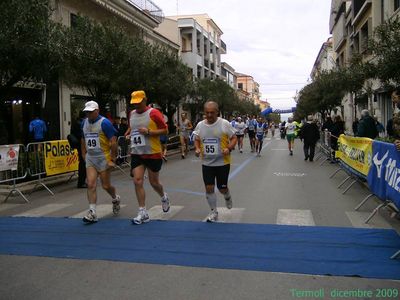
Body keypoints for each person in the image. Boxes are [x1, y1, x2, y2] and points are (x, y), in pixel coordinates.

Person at [125, 90, 170, 225]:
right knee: (137, 181)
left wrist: (149, 132)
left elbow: (165, 130)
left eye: (139, 103)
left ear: (145, 100)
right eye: (134, 103)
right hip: (137, 153)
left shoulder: (154, 113)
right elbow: (131, 127)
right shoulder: (131, 114)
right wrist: (128, 134)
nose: (136, 106)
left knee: (154, 183)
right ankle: (142, 212)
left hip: (152, 152)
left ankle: (163, 196)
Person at [193, 101, 237, 222]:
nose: (209, 115)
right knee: (209, 188)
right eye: (207, 112)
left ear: (217, 112)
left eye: (212, 112)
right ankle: (213, 212)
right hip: (207, 163)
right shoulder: (200, 125)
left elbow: (234, 138)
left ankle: (227, 195)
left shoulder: (224, 124)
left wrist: (229, 148)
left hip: (222, 162)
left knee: (222, 188)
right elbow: (196, 139)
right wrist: (197, 148)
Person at [81, 101, 120, 223]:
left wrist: (112, 159)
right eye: (87, 112)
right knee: (91, 184)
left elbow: (113, 141)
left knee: (106, 185)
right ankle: (92, 212)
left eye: (91, 111)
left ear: (97, 111)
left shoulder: (105, 123)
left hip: (103, 157)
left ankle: (115, 198)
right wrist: (83, 154)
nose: (89, 114)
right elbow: (83, 139)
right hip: (91, 158)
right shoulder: (84, 122)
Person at [71, 111, 87, 188]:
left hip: (79, 145)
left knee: (83, 163)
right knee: (83, 164)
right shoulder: (81, 123)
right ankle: (81, 182)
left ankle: (82, 181)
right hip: (81, 146)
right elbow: (82, 136)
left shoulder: (77, 122)